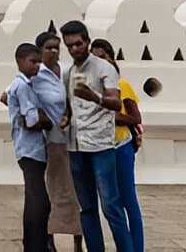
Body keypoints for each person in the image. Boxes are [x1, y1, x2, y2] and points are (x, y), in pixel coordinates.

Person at [59, 21, 131, 252]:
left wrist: (93, 97)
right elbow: (69, 108)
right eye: (69, 46)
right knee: (86, 208)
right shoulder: (68, 72)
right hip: (76, 146)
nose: (74, 49)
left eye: (78, 44)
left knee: (111, 205)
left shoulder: (103, 68)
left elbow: (116, 102)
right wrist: (64, 119)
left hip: (100, 145)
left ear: (87, 42)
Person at [90, 39, 143, 252]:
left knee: (128, 200)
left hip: (121, 146)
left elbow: (134, 118)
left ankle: (137, 247)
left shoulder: (122, 85)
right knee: (109, 203)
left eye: (102, 56)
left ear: (111, 57)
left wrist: (108, 114)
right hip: (99, 148)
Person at [34, 31, 82, 252]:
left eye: (56, 47)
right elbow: (10, 96)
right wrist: (39, 118)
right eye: (48, 48)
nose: (53, 51)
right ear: (39, 51)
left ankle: (78, 241)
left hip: (72, 139)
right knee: (53, 191)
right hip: (49, 142)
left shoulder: (66, 71)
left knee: (76, 192)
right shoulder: (34, 74)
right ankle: (49, 239)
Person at [8, 43, 52, 252]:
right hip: (30, 148)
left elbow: (5, 99)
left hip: (29, 148)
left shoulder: (21, 84)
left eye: (38, 62)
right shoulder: (24, 86)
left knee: (35, 199)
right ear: (19, 61)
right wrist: (51, 119)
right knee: (40, 201)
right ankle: (36, 245)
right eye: (32, 62)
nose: (36, 66)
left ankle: (33, 244)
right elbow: (31, 120)